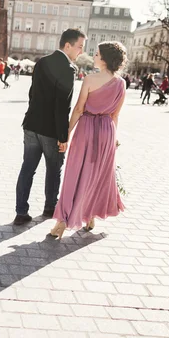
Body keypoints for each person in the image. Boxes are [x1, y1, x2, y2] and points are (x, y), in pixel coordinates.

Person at [50, 42, 127, 238]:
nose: (94, 56)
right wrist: (113, 138)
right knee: (98, 176)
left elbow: (78, 109)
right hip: (107, 132)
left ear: (105, 58)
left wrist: (66, 133)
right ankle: (90, 215)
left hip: (87, 129)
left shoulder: (90, 79)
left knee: (75, 174)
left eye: (98, 54)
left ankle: (63, 222)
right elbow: (115, 115)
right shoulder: (121, 83)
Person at [14, 28, 86, 225]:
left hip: (31, 125)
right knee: (53, 170)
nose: (81, 51)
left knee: (27, 168)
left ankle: (21, 212)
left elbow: (32, 94)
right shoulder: (68, 69)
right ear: (68, 45)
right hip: (51, 131)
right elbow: (63, 106)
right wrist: (63, 137)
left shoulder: (42, 62)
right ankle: (49, 207)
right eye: (79, 47)